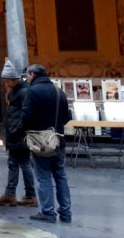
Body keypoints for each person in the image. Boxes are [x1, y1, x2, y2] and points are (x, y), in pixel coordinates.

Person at [22, 64, 72, 224]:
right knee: (61, 176)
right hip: (58, 139)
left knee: (43, 176)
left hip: (40, 140)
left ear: (32, 75)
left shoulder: (32, 91)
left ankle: (48, 212)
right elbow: (67, 116)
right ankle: (66, 213)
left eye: (27, 76)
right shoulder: (59, 91)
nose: (27, 79)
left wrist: (33, 129)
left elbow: (26, 116)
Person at [0, 59, 37, 207]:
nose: (6, 84)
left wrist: (16, 129)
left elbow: (26, 114)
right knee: (13, 163)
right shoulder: (15, 91)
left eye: (7, 81)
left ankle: (30, 195)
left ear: (14, 79)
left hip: (20, 134)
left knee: (25, 164)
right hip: (14, 134)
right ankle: (10, 194)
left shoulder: (23, 91)